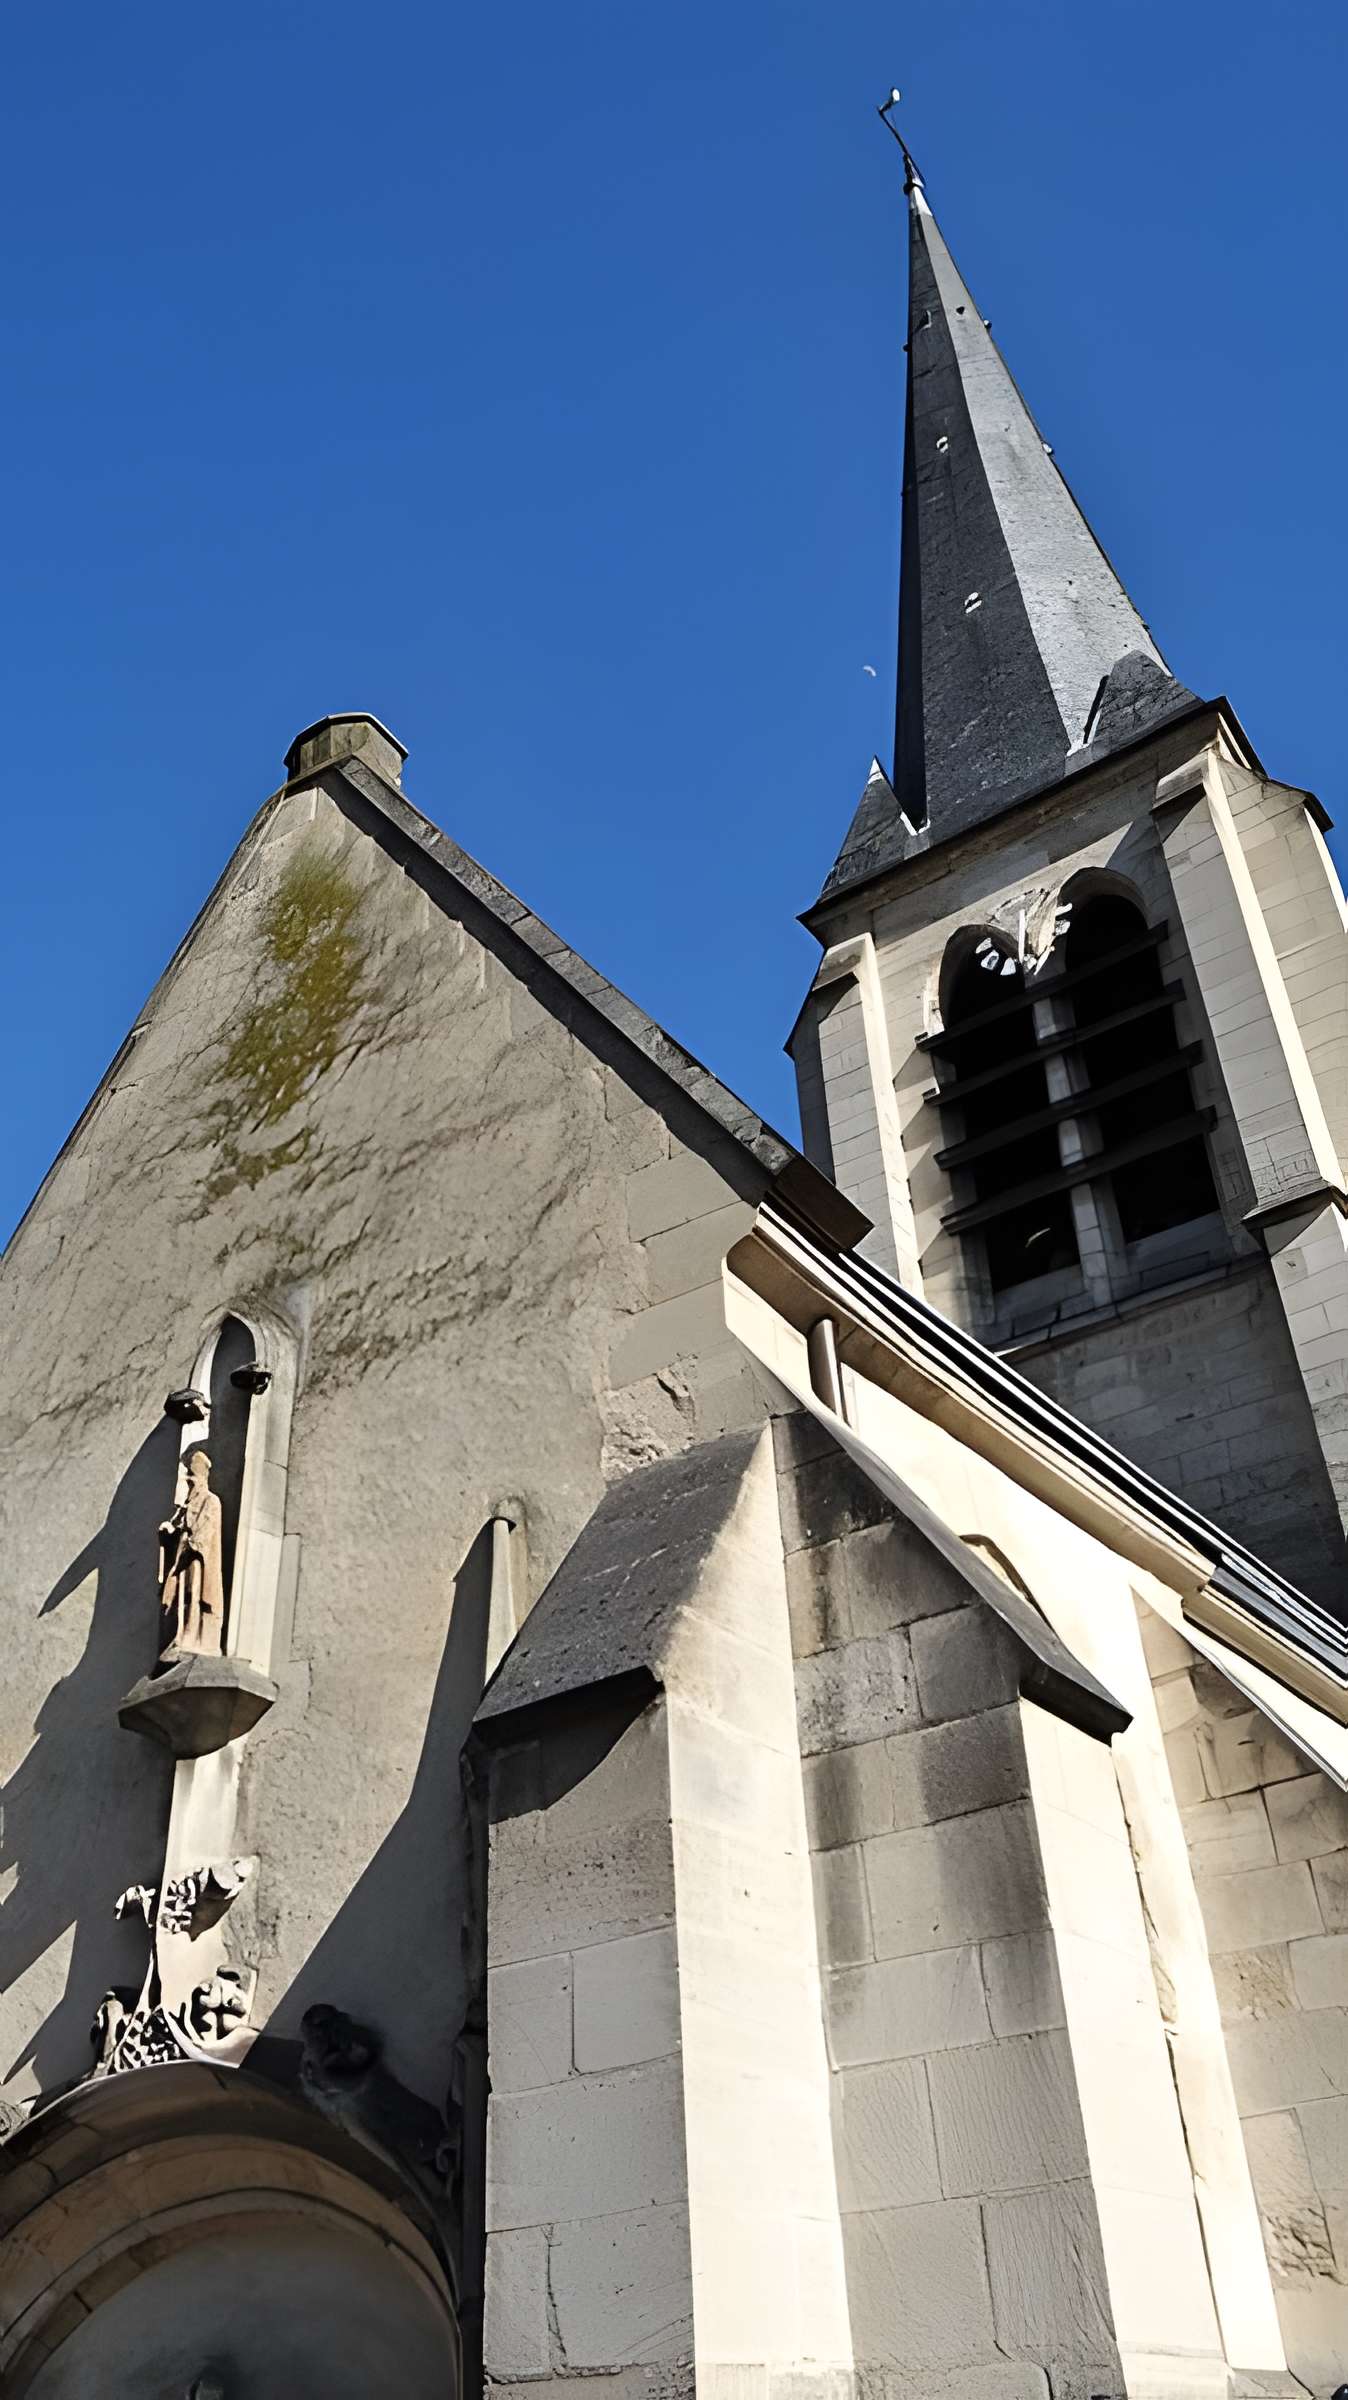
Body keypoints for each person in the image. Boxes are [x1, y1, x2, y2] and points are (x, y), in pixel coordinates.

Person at [157, 1447, 226, 1656]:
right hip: (183, 1557)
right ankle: (179, 1634)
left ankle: (193, 1635)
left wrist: (190, 1542)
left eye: (192, 1477)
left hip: (197, 1560)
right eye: (188, 1478)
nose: (189, 1482)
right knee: (180, 1597)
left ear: (202, 1478)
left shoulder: (211, 1501)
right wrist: (169, 1531)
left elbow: (205, 1532)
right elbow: (177, 1526)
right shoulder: (186, 1505)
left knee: (194, 1596)